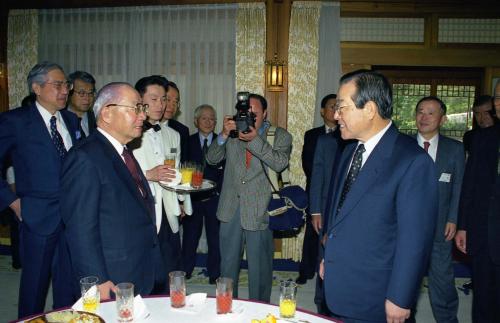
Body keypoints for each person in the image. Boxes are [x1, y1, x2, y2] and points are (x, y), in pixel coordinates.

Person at [319, 70, 437, 323]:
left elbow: (414, 240)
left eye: (342, 107)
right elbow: (337, 212)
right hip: (340, 280)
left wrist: (400, 297)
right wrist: (328, 256)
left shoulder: (412, 161)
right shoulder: (350, 150)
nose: (336, 115)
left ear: (369, 109)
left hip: (377, 295)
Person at [60, 82, 165, 300]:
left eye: (142, 109)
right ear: (107, 113)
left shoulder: (122, 151)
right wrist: (96, 279)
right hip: (112, 274)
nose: (143, 116)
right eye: (136, 108)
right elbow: (80, 228)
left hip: (136, 265)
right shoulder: (85, 157)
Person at [0, 61, 80, 318]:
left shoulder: (70, 119)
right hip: (37, 216)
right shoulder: (15, 121)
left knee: (68, 285)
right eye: (57, 85)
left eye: (66, 85)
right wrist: (13, 202)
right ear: (36, 87)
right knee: (34, 286)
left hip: (72, 216)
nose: (65, 90)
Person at [206, 93, 292, 302]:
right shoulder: (232, 133)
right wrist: (223, 136)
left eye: (255, 112)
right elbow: (211, 159)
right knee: (227, 266)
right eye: (246, 112)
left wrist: (255, 140)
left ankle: (260, 307)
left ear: (264, 113)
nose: (250, 116)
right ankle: (227, 306)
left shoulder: (279, 135)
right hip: (230, 207)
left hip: (260, 208)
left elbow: (280, 163)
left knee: (260, 268)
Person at [130, 75, 187, 293]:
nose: (160, 105)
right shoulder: (128, 132)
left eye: (163, 99)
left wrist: (181, 200)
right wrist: (148, 175)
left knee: (171, 268)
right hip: (140, 209)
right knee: (144, 272)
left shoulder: (173, 135)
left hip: (168, 209)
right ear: (139, 100)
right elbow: (118, 173)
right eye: (153, 99)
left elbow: (177, 171)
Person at [412, 96, 464, 323]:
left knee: (442, 279)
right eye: (420, 111)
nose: (424, 117)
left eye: (430, 113)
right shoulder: (401, 145)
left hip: (441, 225)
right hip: (405, 227)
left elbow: (459, 186)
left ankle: (447, 319)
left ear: (442, 119)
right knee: (404, 279)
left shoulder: (455, 149)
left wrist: (453, 218)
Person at [456, 80, 500, 323]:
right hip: (483, 232)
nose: (499, 104)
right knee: (484, 304)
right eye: (497, 98)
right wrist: (463, 225)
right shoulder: (482, 139)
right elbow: (469, 185)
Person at [297, 93, 339, 285]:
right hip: (315, 189)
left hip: (338, 192)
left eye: (337, 106)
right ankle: (306, 270)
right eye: (331, 106)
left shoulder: (346, 133)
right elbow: (308, 164)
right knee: (312, 232)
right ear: (322, 111)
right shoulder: (312, 135)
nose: (335, 110)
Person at [182, 104, 224, 284]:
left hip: (215, 198)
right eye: (204, 118)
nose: (209, 122)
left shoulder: (222, 141)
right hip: (193, 198)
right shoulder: (187, 141)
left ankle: (215, 274)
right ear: (196, 121)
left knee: (216, 239)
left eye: (212, 119)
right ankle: (185, 270)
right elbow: (181, 168)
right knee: (190, 237)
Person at [162, 81, 190, 163]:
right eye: (168, 100)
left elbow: (184, 162)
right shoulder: (142, 127)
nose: (172, 106)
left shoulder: (182, 130)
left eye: (175, 102)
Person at [66, 71, 97, 137]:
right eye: (81, 93)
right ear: (69, 93)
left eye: (90, 93)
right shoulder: (59, 118)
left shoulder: (97, 120)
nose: (87, 98)